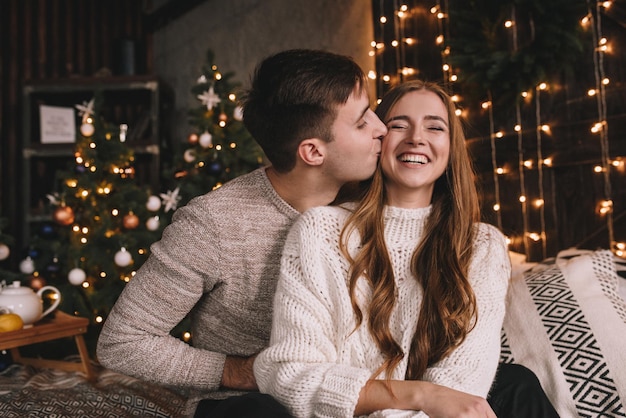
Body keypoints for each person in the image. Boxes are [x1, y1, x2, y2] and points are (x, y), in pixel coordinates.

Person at [96, 48, 388, 417]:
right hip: (253, 404)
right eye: (362, 123)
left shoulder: (374, 198)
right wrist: (239, 371)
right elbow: (123, 342)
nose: (382, 128)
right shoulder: (214, 225)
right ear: (313, 152)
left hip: (355, 394)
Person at [253, 80, 538, 417]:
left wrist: (416, 402)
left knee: (519, 383)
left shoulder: (482, 245)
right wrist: (421, 396)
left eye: (435, 127)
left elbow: (463, 384)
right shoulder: (320, 231)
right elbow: (290, 374)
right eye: (398, 125)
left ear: (451, 147)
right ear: (377, 139)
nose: (416, 138)